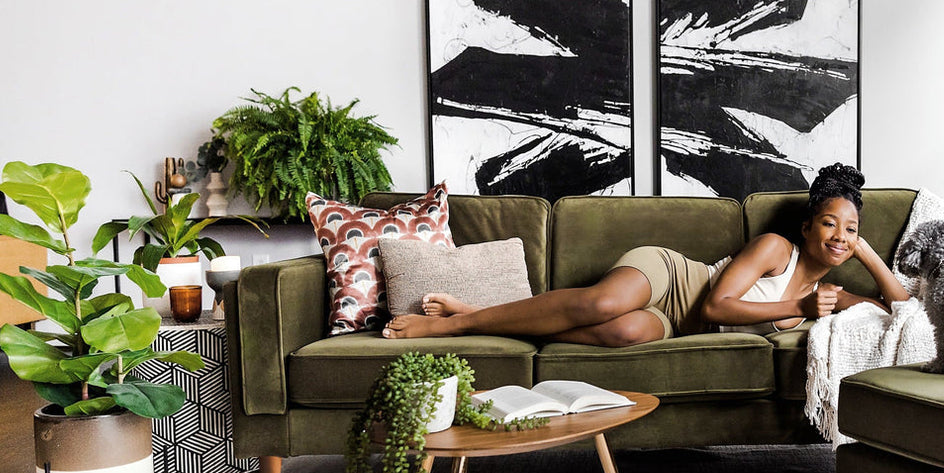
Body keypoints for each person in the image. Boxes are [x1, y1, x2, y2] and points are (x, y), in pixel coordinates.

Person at [381, 164, 910, 345]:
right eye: (829, 224)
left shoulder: (832, 296)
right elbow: (717, 306)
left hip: (676, 327)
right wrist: (798, 307)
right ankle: (450, 329)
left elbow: (901, 310)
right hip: (674, 279)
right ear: (807, 225)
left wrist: (866, 254)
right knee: (601, 307)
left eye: (851, 229)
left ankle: (475, 315)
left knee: (623, 334)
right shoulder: (777, 249)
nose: (839, 235)